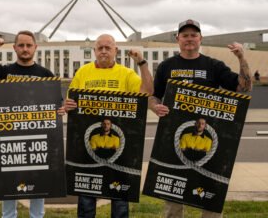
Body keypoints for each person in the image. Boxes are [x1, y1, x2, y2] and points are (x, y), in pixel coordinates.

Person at [149, 19, 252, 218]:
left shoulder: (213, 65)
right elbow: (154, 95)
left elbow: (244, 88)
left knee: (210, 195)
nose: (189, 39)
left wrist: (241, 58)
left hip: (208, 139)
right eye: (185, 35)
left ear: (200, 38)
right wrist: (155, 106)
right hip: (173, 139)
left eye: (193, 35)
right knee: (172, 196)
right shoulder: (166, 66)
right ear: (178, 39)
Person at [61, 34, 154, 218]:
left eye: (108, 48)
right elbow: (71, 102)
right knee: (87, 201)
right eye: (100, 48)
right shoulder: (83, 72)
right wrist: (68, 105)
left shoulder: (126, 74)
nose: (104, 51)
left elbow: (148, 92)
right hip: (89, 149)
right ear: (94, 51)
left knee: (120, 201)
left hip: (119, 148)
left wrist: (141, 63)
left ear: (115, 51)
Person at [0, 30, 54, 218]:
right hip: (8, 139)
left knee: (38, 183)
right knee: (8, 183)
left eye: (29, 45)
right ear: (15, 48)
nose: (25, 49)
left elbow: (55, 106)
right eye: (21, 45)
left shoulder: (46, 74)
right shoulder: (3, 71)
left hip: (37, 139)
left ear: (35, 48)